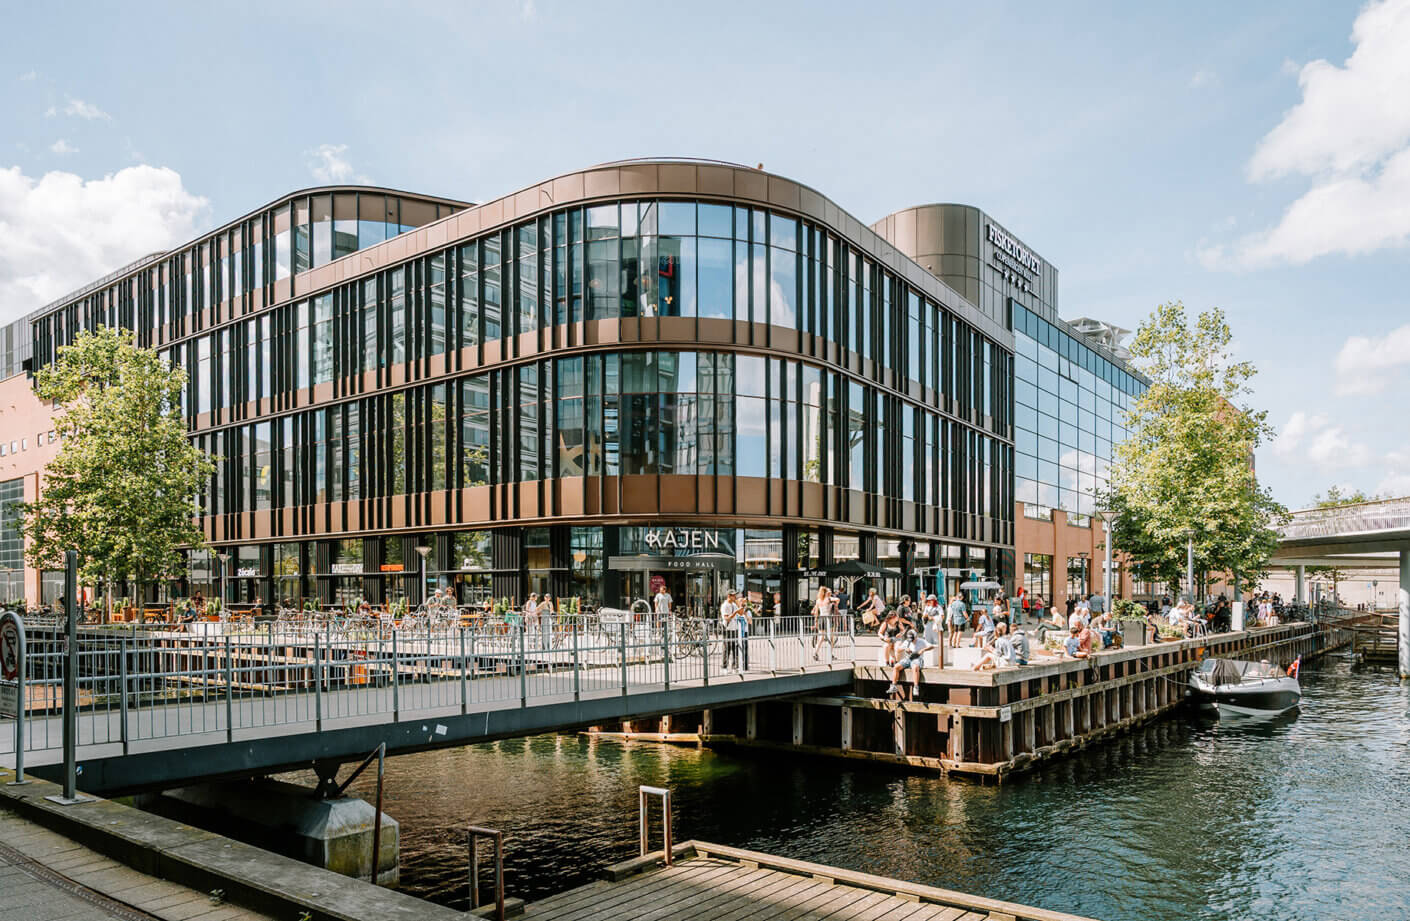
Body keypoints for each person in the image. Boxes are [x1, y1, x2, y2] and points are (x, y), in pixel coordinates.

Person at [886, 629, 934, 698]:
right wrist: (905, 649)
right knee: (896, 667)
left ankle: (916, 687)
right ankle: (893, 685)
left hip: (917, 658)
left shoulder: (921, 641)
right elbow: (898, 650)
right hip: (908, 659)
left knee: (915, 667)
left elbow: (931, 646)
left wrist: (923, 650)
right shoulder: (907, 642)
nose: (912, 641)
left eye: (913, 639)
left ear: (916, 637)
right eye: (910, 639)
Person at [811, 586, 836, 661]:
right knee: (831, 638)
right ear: (826, 593)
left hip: (821, 619)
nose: (829, 593)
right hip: (828, 619)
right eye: (828, 592)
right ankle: (830, 654)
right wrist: (831, 598)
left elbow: (816, 612)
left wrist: (815, 622)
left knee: (821, 638)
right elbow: (838, 599)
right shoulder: (828, 599)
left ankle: (815, 653)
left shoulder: (818, 600)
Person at [720, 591, 742, 672]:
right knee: (727, 648)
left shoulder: (734, 604)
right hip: (727, 628)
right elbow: (726, 618)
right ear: (729, 596)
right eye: (734, 596)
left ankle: (734, 666)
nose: (735, 597)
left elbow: (740, 613)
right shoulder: (725, 605)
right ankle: (724, 667)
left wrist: (740, 605)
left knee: (735, 647)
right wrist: (735, 612)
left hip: (734, 628)